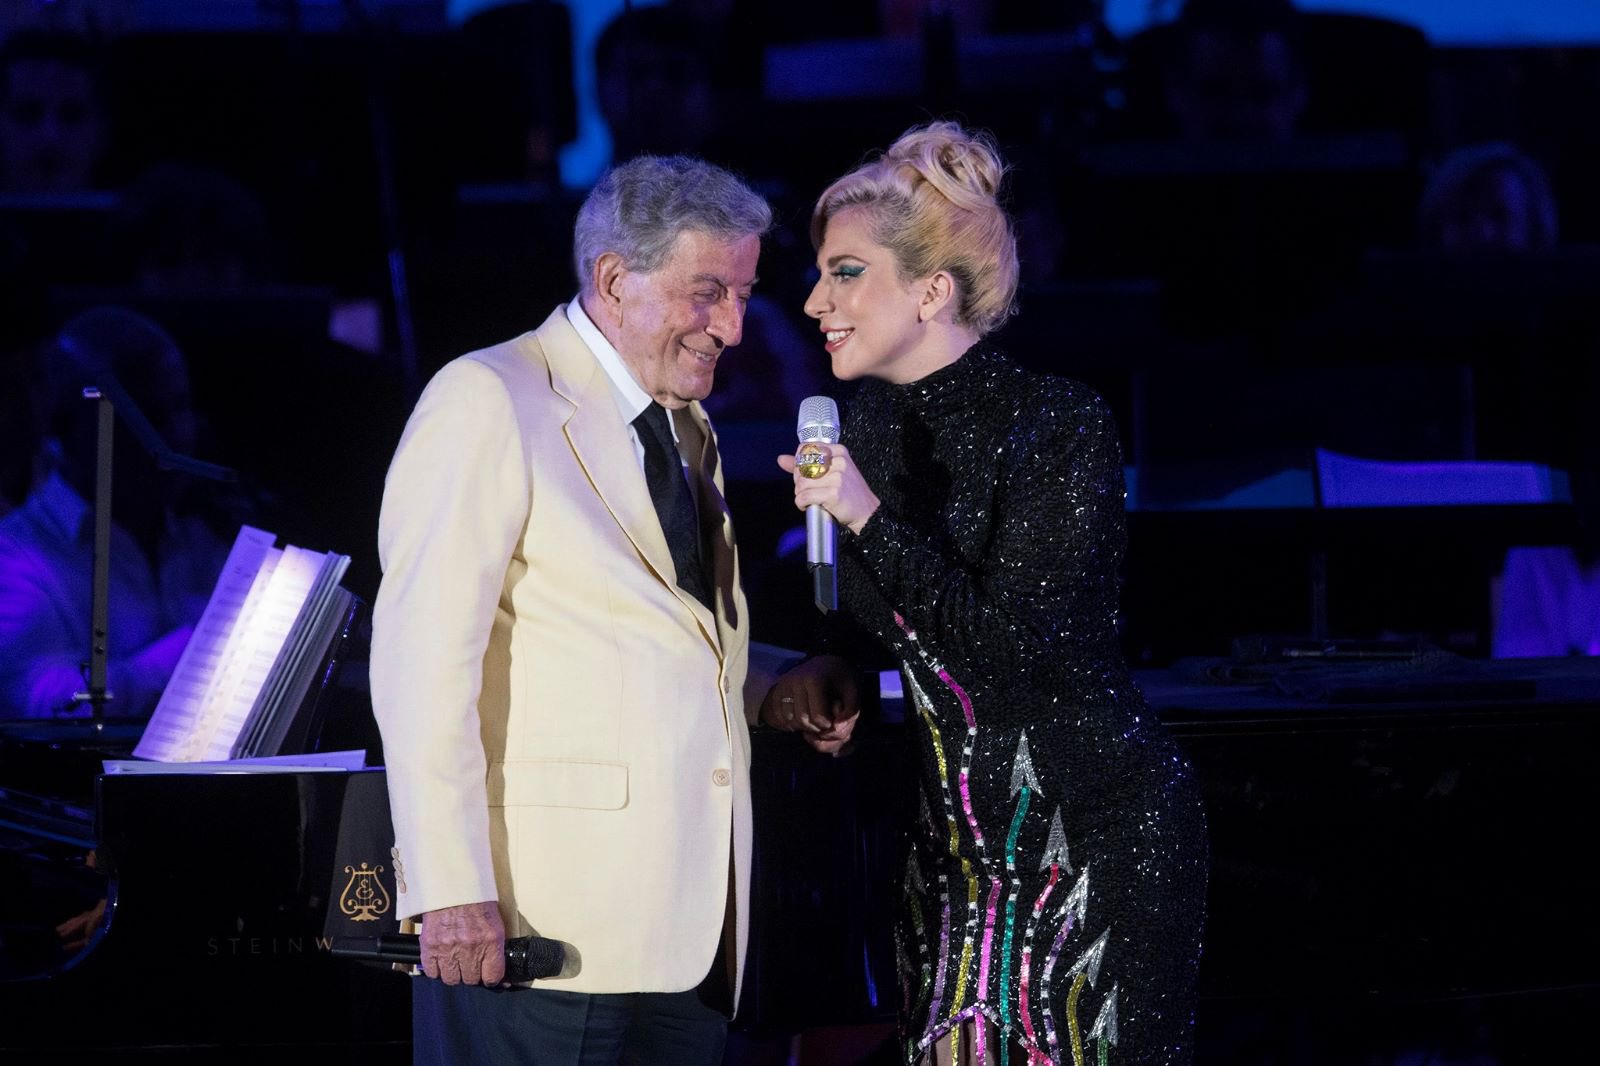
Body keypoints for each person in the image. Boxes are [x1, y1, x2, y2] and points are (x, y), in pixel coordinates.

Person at [760, 123, 1208, 1065]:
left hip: (1093, 835)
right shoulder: (867, 430)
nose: (813, 301)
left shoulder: (1057, 423)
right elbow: (893, 625)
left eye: (845, 273)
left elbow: (1019, 658)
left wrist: (866, 516)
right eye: (819, 273)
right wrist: (837, 663)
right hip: (951, 852)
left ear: (932, 291)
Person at [369, 154, 772, 1064]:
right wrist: (449, 888)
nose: (733, 327)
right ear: (616, 279)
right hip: (534, 929)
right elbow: (420, 667)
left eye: (743, 295)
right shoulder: (488, 397)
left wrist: (774, 688)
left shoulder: (683, 426)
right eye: (708, 293)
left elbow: (653, 641)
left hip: (689, 931)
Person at [0, 307, 233, 719]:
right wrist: (202, 646)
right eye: (146, 418)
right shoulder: (13, 557)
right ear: (66, 427)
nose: (177, 436)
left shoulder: (204, 537)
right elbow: (42, 700)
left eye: (180, 407)